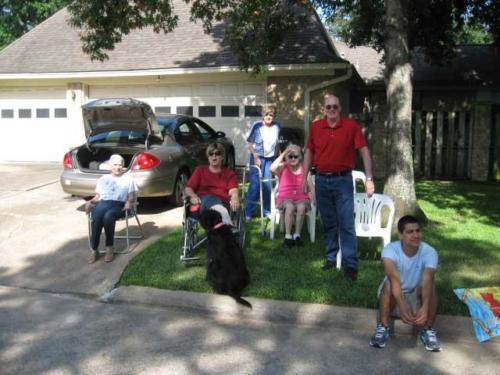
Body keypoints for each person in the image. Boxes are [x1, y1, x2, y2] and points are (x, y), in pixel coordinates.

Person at [302, 93, 375, 281]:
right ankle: (331, 257)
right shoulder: (316, 127)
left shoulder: (351, 126)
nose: (332, 110)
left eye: (335, 107)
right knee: (328, 222)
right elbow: (309, 152)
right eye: (328, 107)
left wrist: (369, 179)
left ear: (340, 108)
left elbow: (364, 152)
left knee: (346, 223)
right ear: (324, 109)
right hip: (321, 181)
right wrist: (304, 177)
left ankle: (350, 264)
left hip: (342, 181)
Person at [369, 215, 441, 352]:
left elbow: (427, 278)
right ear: (400, 235)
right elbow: (393, 278)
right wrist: (402, 306)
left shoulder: (430, 252)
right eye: (410, 232)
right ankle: (383, 327)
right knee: (389, 283)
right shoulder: (390, 250)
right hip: (393, 296)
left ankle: (428, 329)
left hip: (416, 295)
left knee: (431, 283)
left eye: (418, 231)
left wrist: (425, 307)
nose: (415, 235)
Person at [85, 154, 138, 264]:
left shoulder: (128, 179)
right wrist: (90, 202)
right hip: (104, 203)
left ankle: (109, 247)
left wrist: (128, 202)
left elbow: (131, 196)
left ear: (123, 166)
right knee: (97, 215)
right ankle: (94, 250)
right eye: (115, 164)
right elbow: (98, 197)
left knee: (109, 216)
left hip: (120, 204)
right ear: (110, 166)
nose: (118, 167)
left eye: (120, 165)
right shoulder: (103, 179)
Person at [184, 142, 240, 225]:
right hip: (202, 203)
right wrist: (193, 195)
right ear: (208, 157)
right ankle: (228, 225)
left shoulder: (229, 173)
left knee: (216, 200)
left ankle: (223, 223)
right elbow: (188, 188)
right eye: (211, 154)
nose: (214, 156)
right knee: (210, 198)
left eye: (217, 153)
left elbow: (233, 189)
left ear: (222, 157)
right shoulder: (200, 170)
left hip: (223, 203)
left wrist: (235, 197)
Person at [270, 144, 314, 248]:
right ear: (286, 157)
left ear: (301, 157)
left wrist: (314, 196)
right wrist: (284, 153)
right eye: (290, 156)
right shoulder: (283, 167)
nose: (293, 158)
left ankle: (297, 235)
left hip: (301, 197)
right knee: (289, 206)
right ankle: (288, 236)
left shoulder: (305, 169)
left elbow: (311, 186)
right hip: (285, 197)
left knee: (302, 207)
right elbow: (271, 168)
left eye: (296, 156)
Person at [245, 104, 281, 220]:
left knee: (267, 184)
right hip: (257, 158)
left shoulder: (277, 126)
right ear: (263, 115)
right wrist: (255, 155)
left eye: (271, 114)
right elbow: (250, 144)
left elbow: (277, 144)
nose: (269, 117)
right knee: (255, 185)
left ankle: (266, 210)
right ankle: (248, 212)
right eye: (267, 114)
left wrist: (279, 158)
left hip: (270, 159)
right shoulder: (257, 126)